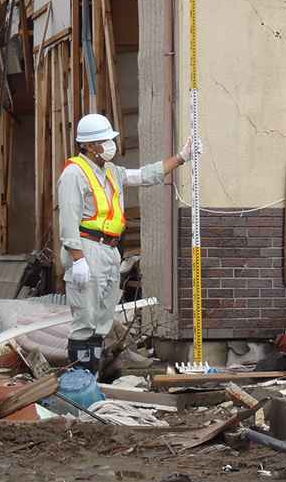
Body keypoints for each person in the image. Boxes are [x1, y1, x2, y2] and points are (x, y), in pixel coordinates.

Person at [58, 113, 191, 373]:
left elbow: (144, 175)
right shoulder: (74, 173)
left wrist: (180, 158)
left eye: (110, 139)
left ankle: (91, 377)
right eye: (104, 140)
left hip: (109, 250)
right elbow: (68, 221)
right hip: (87, 248)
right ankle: (80, 380)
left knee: (101, 319)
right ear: (88, 145)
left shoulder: (110, 172)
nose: (110, 144)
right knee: (85, 318)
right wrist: (78, 259)